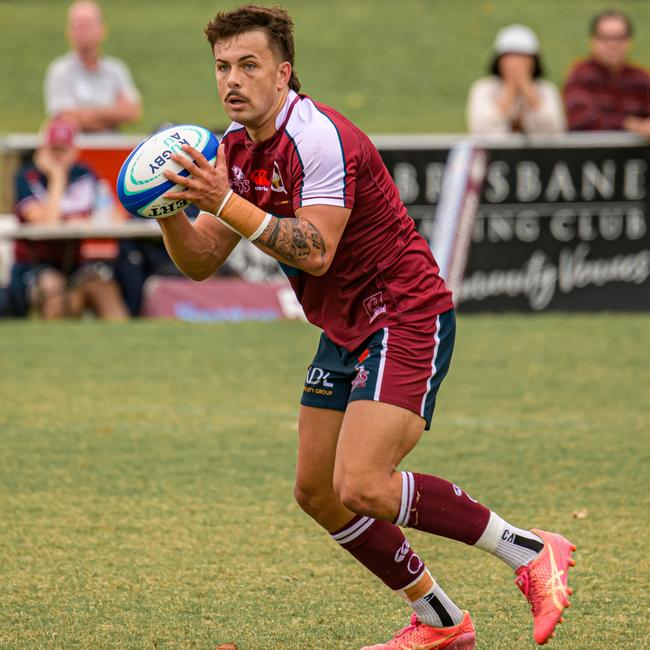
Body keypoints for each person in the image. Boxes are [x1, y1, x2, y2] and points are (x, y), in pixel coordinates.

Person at [155, 6, 576, 648]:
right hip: (346, 326)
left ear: (283, 72)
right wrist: (168, 210)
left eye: (248, 65)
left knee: (363, 484)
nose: (231, 81)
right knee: (319, 491)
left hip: (404, 310)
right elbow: (203, 261)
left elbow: (314, 249)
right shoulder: (235, 150)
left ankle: (529, 549)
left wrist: (221, 200)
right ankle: (441, 621)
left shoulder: (316, 135)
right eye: (221, 67)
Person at [10, 118, 128, 320]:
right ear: (43, 149)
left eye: (64, 150)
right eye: (54, 149)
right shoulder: (26, 177)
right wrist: (57, 176)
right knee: (52, 290)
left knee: (104, 288)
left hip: (75, 262)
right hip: (35, 264)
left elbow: (117, 217)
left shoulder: (84, 174)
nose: (59, 156)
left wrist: (90, 222)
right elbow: (46, 225)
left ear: (74, 151)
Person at [44, 0, 141, 132]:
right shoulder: (59, 71)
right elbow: (64, 119)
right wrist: (113, 115)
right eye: (77, 25)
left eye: (87, 25)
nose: (82, 31)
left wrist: (83, 115)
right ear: (69, 32)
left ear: (102, 30)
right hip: (74, 149)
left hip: (111, 148)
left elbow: (132, 112)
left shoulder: (117, 70)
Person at [467, 25, 566, 135]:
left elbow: (554, 130)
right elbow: (482, 130)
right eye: (510, 56)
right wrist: (510, 89)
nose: (517, 62)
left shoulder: (546, 90)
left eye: (523, 57)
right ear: (499, 60)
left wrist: (526, 87)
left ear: (534, 61)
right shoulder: (484, 88)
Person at [564, 10, 650, 134]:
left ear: (629, 42)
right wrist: (629, 125)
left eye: (619, 38)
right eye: (605, 38)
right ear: (593, 41)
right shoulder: (581, 75)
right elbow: (581, 120)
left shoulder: (640, 79)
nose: (612, 45)